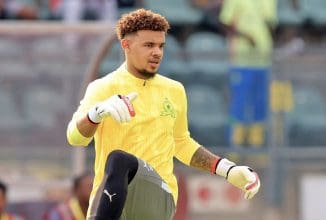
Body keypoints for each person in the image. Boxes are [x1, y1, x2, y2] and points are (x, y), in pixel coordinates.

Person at [66, 8, 260, 220]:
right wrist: (96, 114)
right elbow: (75, 138)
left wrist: (228, 170)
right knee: (118, 164)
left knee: (120, 160)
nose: (157, 52)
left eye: (161, 46)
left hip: (158, 194)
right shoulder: (102, 88)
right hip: (112, 202)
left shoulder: (174, 90)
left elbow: (182, 143)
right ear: (126, 45)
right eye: (149, 45)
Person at [218, 0, 275, 147]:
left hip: (263, 61)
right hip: (241, 60)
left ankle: (257, 147)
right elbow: (225, 23)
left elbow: (270, 24)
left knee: (260, 104)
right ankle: (236, 148)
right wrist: (244, 36)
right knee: (239, 103)